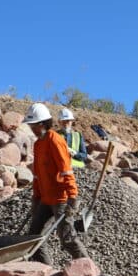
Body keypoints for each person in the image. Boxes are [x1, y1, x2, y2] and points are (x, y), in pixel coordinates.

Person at [24, 103, 89, 260]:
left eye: (33, 125)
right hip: (46, 199)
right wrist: (36, 197)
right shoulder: (38, 144)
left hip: (61, 198)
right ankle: (44, 271)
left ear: (42, 123)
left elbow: (66, 170)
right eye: (30, 125)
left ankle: (89, 270)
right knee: (34, 236)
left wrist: (73, 197)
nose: (31, 129)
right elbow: (38, 174)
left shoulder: (55, 140)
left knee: (67, 237)